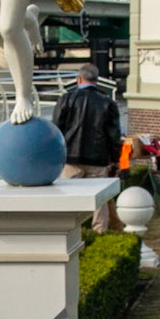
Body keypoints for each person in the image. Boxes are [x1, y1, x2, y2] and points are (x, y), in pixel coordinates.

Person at [53, 62, 122, 230]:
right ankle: (99, 232)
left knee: (67, 197)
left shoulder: (66, 99)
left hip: (70, 157)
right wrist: (115, 159)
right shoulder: (107, 103)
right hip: (97, 158)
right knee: (100, 200)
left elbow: (56, 129)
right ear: (97, 80)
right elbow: (114, 136)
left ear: (79, 79)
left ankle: (67, 231)